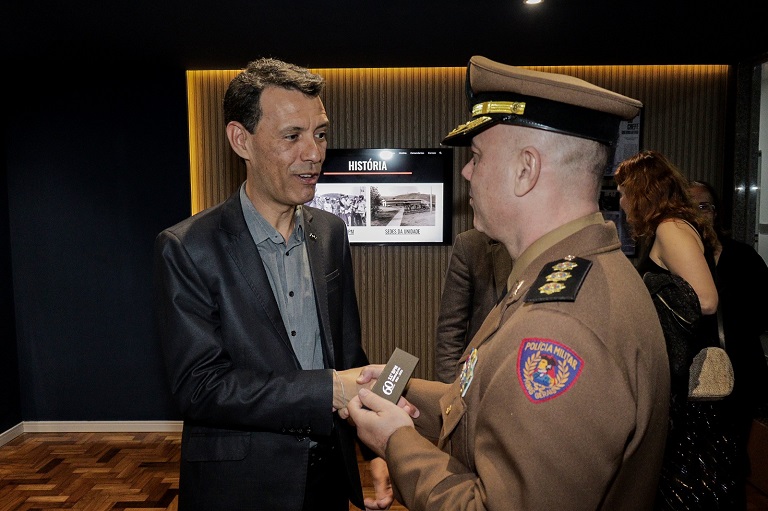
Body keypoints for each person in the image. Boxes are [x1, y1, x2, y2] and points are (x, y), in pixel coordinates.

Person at [345, 55, 671, 510]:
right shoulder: (560, 278)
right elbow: (492, 406)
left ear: (526, 170)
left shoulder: (559, 329)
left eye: (477, 157)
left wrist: (396, 442)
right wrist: (401, 389)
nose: (466, 172)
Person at [153, 57, 390, 511]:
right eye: (292, 136)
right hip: (241, 487)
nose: (314, 153)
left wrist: (373, 446)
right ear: (241, 140)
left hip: (329, 477)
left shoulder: (331, 233)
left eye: (320, 134)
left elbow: (346, 354)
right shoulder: (187, 248)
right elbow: (200, 387)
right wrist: (326, 390)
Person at [613, 151, 737, 510]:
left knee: (687, 482)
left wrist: (649, 293)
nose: (621, 202)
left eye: (623, 192)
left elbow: (706, 300)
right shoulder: (671, 227)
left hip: (690, 381)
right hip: (685, 378)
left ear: (642, 191)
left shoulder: (671, 228)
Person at [689, 179, 768, 508]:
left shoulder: (743, 256)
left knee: (734, 455)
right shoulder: (675, 260)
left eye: (704, 206)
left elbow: (764, 312)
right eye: (690, 207)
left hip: (741, 371)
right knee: (696, 457)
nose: (698, 214)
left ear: (716, 212)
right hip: (692, 377)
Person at [434, 229, 512, 383]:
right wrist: (451, 391)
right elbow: (450, 331)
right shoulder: (472, 244)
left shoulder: (559, 241)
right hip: (482, 381)